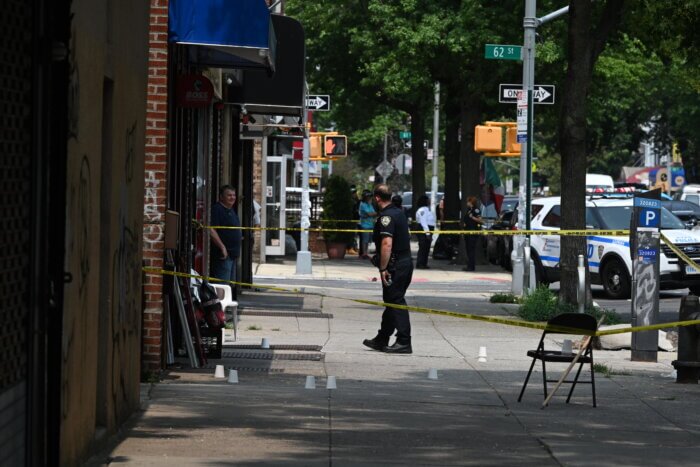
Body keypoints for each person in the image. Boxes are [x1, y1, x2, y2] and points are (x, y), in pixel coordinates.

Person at [363, 184, 414, 354]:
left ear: (377, 198)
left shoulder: (387, 217)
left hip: (396, 265)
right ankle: (382, 338)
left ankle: (404, 341)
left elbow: (387, 243)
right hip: (404, 262)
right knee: (392, 301)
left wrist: (383, 267)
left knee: (396, 301)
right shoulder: (398, 212)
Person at [209, 185, 242, 296]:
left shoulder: (231, 210)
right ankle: (219, 309)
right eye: (229, 195)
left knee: (228, 285)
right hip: (223, 255)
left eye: (233, 195)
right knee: (222, 284)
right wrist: (222, 247)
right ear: (221, 197)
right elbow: (211, 230)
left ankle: (224, 307)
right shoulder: (217, 209)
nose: (232, 198)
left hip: (232, 255)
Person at [414, 194, 436, 269]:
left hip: (428, 229)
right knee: (423, 247)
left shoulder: (427, 209)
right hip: (424, 229)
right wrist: (427, 233)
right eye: (428, 200)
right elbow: (423, 222)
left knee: (427, 247)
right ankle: (420, 264)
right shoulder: (422, 210)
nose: (429, 201)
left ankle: (424, 263)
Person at [462, 195, 483, 272]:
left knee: (471, 250)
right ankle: (469, 265)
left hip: (473, 233)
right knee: (468, 249)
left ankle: (471, 267)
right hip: (467, 232)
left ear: (471, 202)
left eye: (468, 201)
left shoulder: (476, 210)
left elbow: (480, 220)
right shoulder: (469, 210)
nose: (467, 202)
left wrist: (472, 217)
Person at [358, 189, 377, 259]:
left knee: (368, 240)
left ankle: (366, 252)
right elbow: (370, 213)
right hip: (365, 225)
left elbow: (374, 213)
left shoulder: (369, 204)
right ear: (365, 197)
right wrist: (372, 214)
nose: (370, 198)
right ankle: (364, 253)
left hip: (370, 224)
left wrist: (372, 214)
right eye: (368, 197)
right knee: (364, 240)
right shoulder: (363, 204)